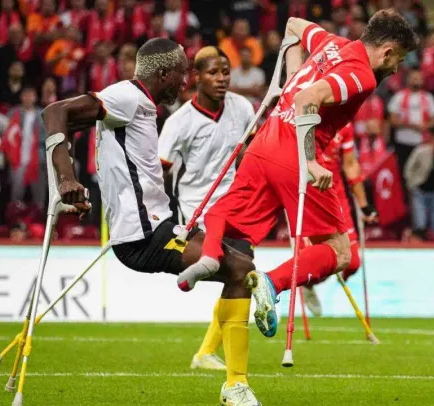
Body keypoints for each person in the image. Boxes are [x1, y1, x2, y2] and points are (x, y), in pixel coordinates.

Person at [41, 38, 262, 406]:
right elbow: (55, 112)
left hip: (158, 225)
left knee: (241, 268)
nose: (185, 81)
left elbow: (75, 125)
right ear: (163, 74)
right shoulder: (126, 96)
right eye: (181, 73)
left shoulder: (141, 105)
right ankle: (234, 385)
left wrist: (76, 180)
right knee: (241, 270)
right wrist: (66, 177)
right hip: (142, 234)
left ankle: (231, 379)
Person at [179, 10, 419, 340]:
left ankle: (207, 256)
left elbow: (292, 24)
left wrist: (291, 79)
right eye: (399, 60)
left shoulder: (330, 43)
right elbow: (308, 98)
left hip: (264, 143)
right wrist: (310, 161)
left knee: (230, 217)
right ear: (387, 51)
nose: (395, 69)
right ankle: (272, 281)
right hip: (294, 155)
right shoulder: (360, 74)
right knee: (340, 252)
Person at [158, 46, 256, 372]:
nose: (221, 78)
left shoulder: (242, 107)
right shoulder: (179, 122)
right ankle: (207, 353)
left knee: (243, 273)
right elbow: (160, 171)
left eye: (225, 72)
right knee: (239, 272)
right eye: (213, 73)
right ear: (196, 77)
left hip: (235, 206)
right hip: (196, 210)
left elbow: (252, 151)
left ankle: (206, 353)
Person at [302, 123, 379, 316]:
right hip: (308, 196)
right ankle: (309, 285)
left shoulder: (345, 125)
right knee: (314, 262)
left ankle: (323, 278)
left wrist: (363, 204)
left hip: (337, 197)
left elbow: (350, 164)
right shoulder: (303, 116)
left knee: (352, 263)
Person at [388, 68, 434, 184]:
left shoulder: (429, 98)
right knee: (402, 173)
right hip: (402, 142)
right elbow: (392, 120)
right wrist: (410, 125)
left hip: (422, 142)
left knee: (420, 172)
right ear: (408, 80)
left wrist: (424, 126)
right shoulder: (399, 96)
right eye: (414, 78)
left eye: (419, 78)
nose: (416, 80)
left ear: (423, 80)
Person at [3, 87, 47, 206]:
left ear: (35, 98)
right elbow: (6, 134)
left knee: (39, 193)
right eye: (25, 95)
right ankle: (16, 213)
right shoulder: (13, 113)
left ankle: (38, 213)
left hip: (37, 159)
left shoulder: (42, 114)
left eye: (31, 95)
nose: (28, 98)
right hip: (18, 158)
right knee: (16, 192)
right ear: (21, 97)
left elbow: (48, 135)